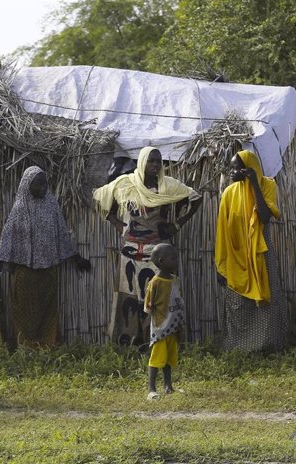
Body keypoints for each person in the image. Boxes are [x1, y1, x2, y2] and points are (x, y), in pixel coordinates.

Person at [93, 146, 201, 346]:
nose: (155, 165)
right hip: (130, 253)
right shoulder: (126, 184)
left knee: (160, 298)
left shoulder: (167, 186)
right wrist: (118, 224)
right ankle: (129, 342)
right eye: (151, 161)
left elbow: (195, 198)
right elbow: (100, 198)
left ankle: (160, 342)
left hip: (158, 254)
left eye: (158, 161)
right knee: (129, 299)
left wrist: (177, 224)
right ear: (142, 162)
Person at [0, 166, 91, 348]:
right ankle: (26, 346)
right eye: (38, 183)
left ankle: (47, 345)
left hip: (48, 270)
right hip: (26, 271)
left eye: (45, 182)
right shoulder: (20, 208)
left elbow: (61, 233)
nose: (43, 187)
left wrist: (76, 257)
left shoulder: (51, 204)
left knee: (47, 310)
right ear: (26, 185)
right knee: (25, 311)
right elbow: (8, 236)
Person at [215, 149, 286, 352]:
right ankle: (239, 348)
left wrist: (254, 183)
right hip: (236, 257)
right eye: (231, 168)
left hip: (260, 253)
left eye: (236, 168)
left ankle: (267, 346)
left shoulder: (268, 185)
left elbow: (264, 217)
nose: (231, 172)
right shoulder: (229, 193)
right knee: (238, 302)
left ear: (248, 169)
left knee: (265, 301)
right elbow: (222, 229)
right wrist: (221, 262)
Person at [143, 243, 185, 400]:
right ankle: (151, 389)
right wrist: (148, 326)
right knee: (156, 359)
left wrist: (181, 324)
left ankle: (168, 386)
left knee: (168, 358)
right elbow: (148, 306)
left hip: (173, 327)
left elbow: (178, 300)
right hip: (160, 327)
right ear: (161, 261)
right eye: (173, 259)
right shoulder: (155, 282)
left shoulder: (175, 280)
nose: (176, 261)